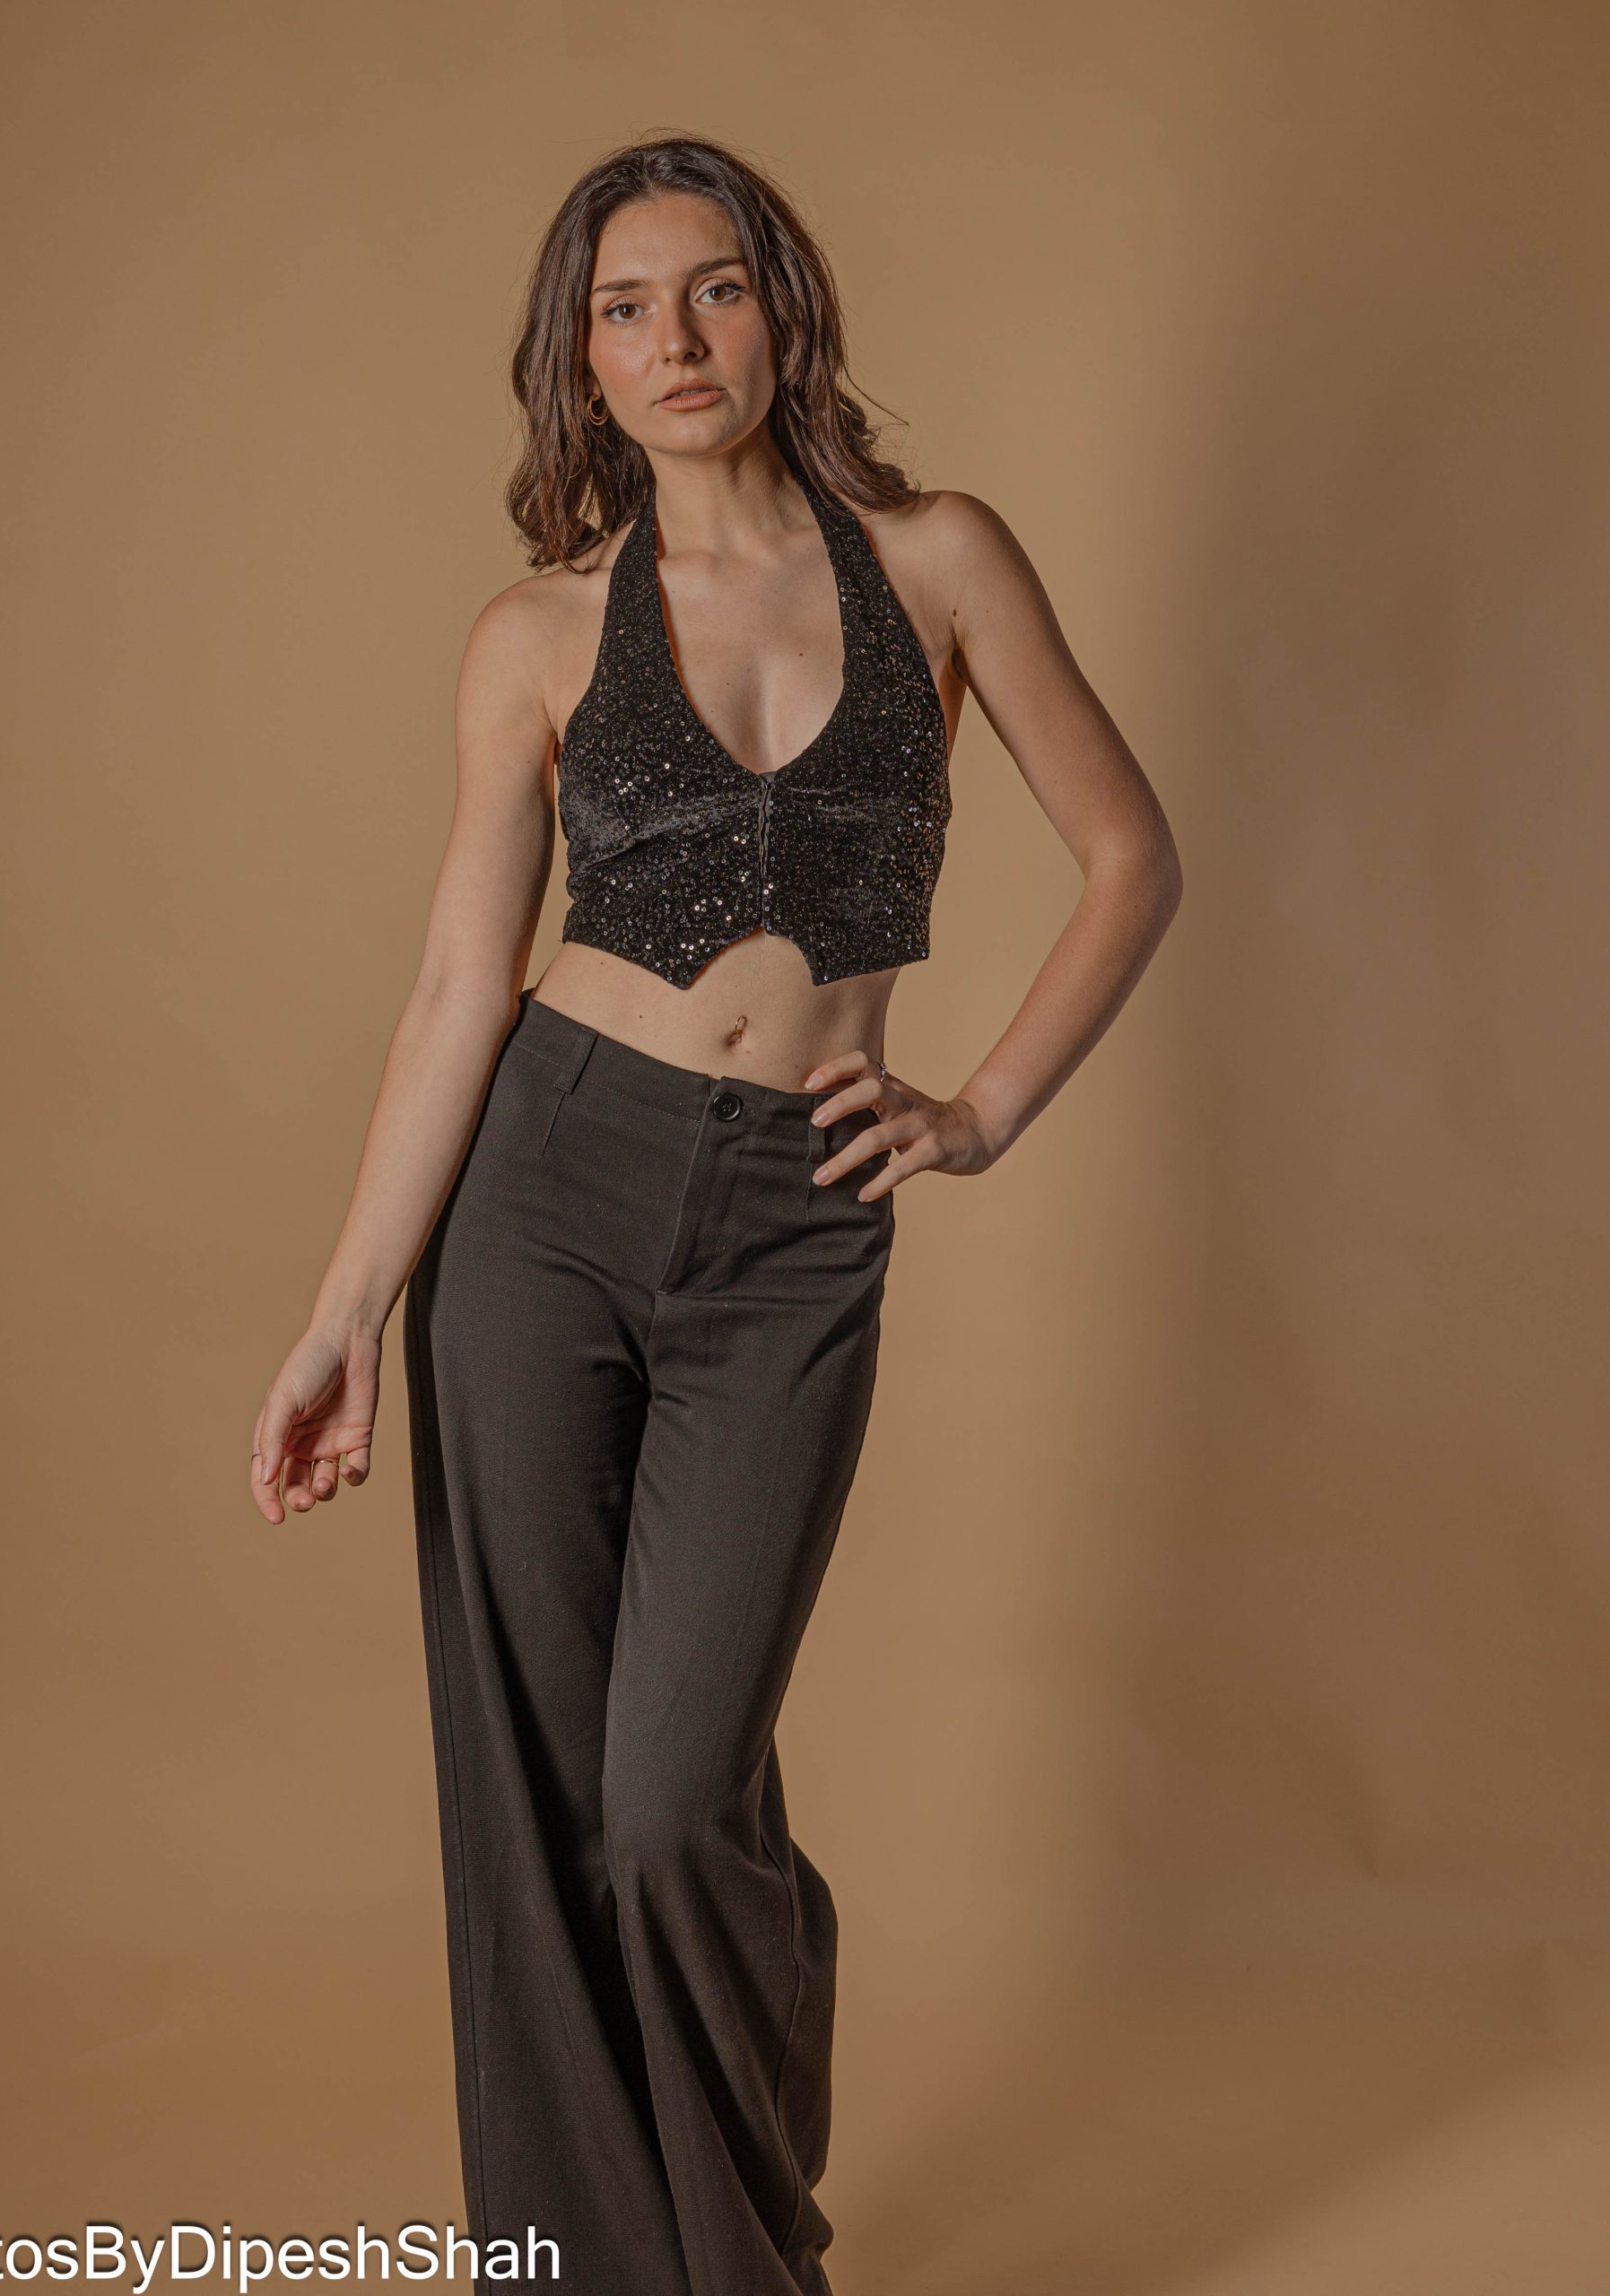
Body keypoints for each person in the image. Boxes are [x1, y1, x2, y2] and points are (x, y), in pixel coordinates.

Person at [248, 134, 1181, 2296]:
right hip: (543, 1195)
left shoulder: (939, 560)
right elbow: (459, 984)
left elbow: (1130, 854)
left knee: (676, 1800)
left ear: (786, 311)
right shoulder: (535, 633)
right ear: (575, 361)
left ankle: (743, 2236)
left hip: (795, 1218)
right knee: (536, 1789)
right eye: (622, 308)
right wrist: (345, 1310)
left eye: (714, 290)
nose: (673, 341)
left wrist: (982, 1109)